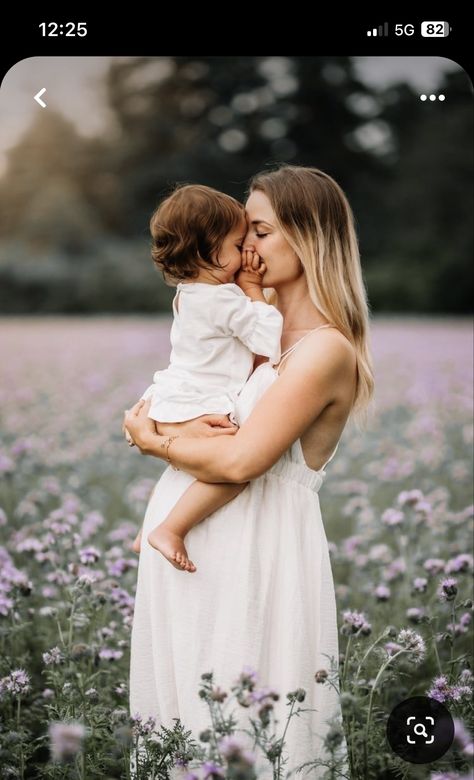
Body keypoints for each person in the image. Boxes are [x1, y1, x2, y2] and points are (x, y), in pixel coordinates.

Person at [125, 164, 374, 778]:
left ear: (306, 237)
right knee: (184, 726)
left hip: (256, 557)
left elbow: (240, 459)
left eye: (258, 232)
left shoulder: (324, 350)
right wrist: (164, 426)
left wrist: (152, 441)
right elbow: (191, 402)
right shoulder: (253, 332)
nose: (246, 249)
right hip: (188, 552)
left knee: (247, 727)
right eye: (244, 235)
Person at [128, 183, 283, 573]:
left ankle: (146, 527)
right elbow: (267, 337)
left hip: (172, 397)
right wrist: (252, 290)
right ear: (206, 251)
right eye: (237, 245)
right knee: (233, 471)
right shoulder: (223, 299)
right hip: (198, 401)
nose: (246, 252)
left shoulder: (189, 292)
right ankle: (170, 528)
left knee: (183, 463)